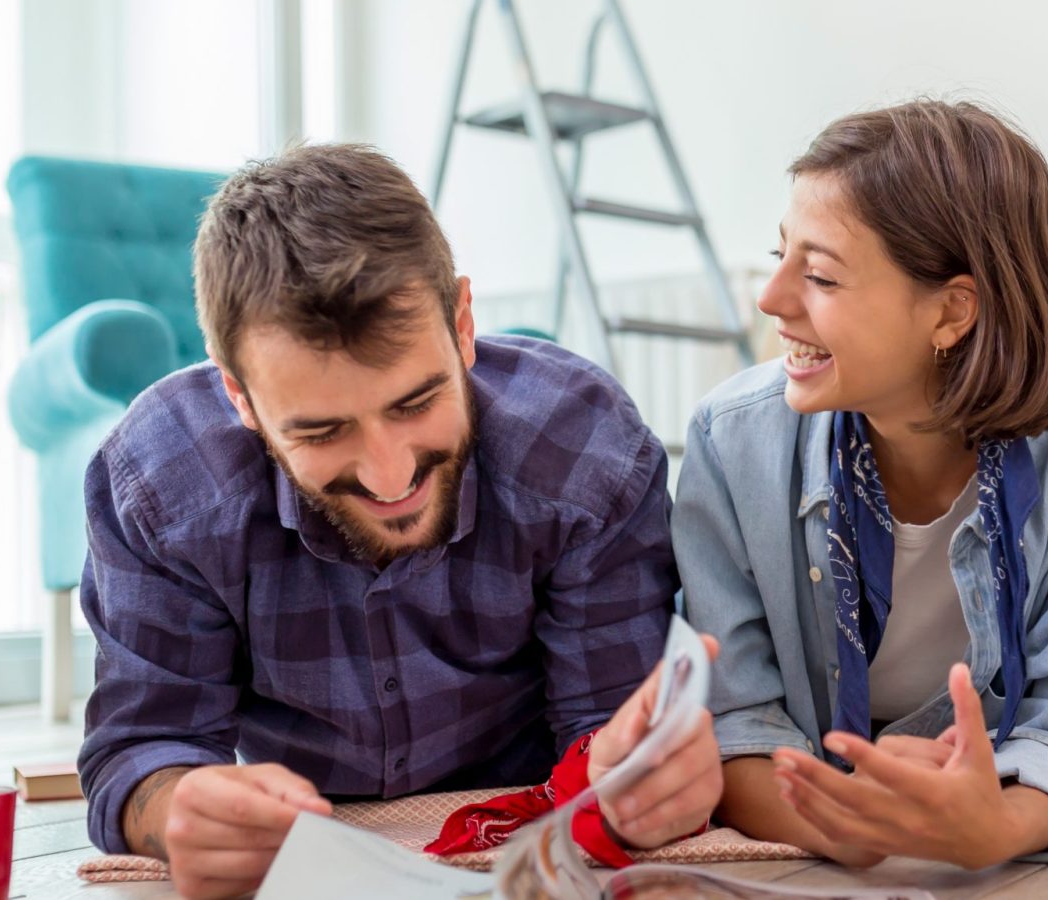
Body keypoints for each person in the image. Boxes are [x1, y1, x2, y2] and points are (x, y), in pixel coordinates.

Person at [76, 144, 721, 899]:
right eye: (321, 432)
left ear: (463, 324)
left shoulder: (583, 453)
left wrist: (635, 779)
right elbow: (143, 748)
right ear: (240, 397)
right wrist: (177, 807)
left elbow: (607, 730)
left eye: (416, 403)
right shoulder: (163, 485)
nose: (390, 476)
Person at [674, 99, 1048, 868]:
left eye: (819, 274)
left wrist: (999, 824)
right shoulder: (731, 441)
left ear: (953, 311)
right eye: (779, 255)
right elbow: (733, 721)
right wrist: (854, 826)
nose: (771, 298)